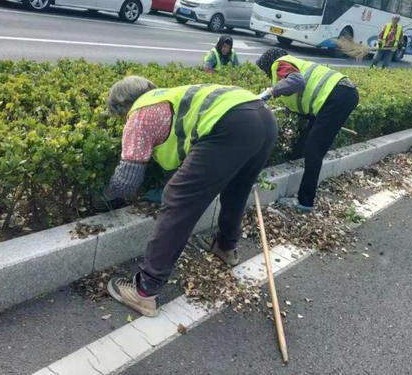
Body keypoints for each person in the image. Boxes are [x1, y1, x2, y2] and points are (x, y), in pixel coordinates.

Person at [97, 76, 277, 317]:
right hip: (262, 116)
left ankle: (145, 290)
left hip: (232, 124)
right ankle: (226, 247)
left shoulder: (139, 114)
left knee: (178, 201)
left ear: (123, 105)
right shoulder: (167, 97)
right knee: (236, 190)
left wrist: (104, 199)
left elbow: (127, 179)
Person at [256, 48, 359, 213]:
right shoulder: (294, 63)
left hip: (337, 96)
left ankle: (305, 201)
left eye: (264, 70)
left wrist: (270, 92)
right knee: (311, 130)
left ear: (269, 64)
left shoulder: (279, 64)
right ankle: (294, 155)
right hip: (342, 93)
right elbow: (306, 96)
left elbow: (297, 81)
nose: (266, 74)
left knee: (314, 150)